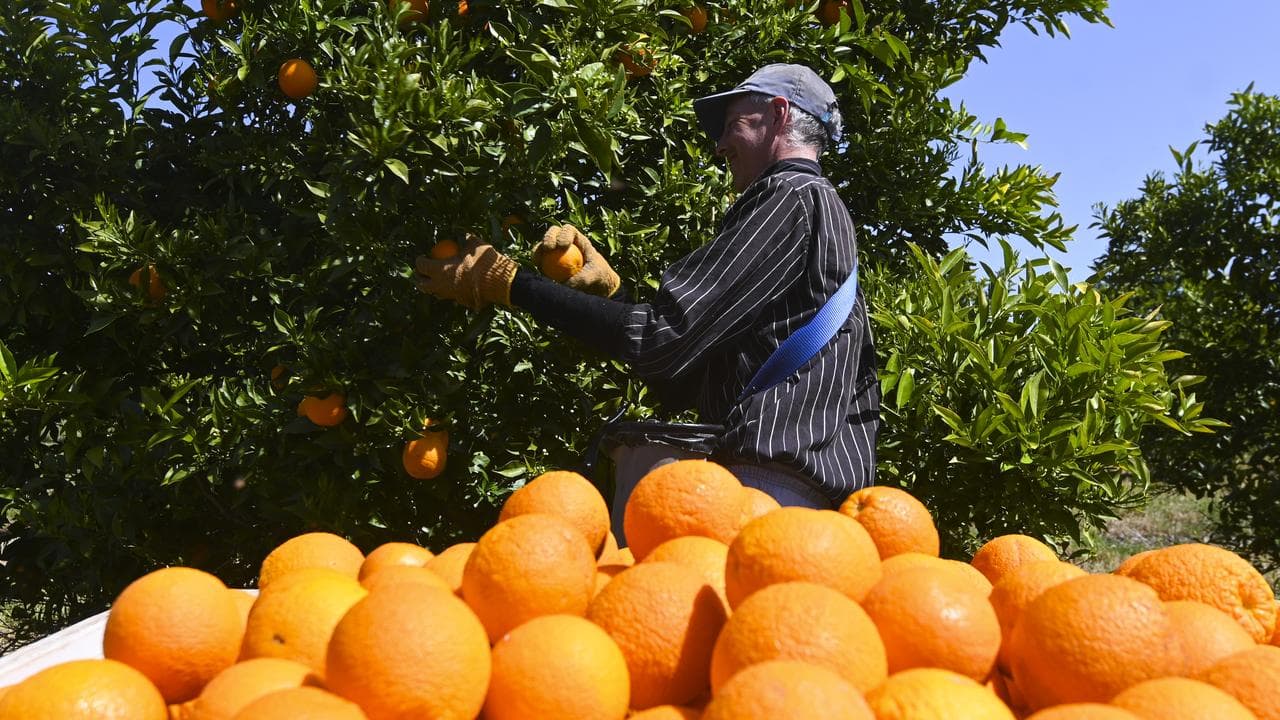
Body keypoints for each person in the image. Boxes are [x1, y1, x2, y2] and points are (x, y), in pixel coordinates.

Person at [415, 63, 879, 514]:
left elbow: (659, 339)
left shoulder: (789, 197)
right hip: (802, 502)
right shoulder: (818, 213)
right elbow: (681, 376)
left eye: (732, 124)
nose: (720, 146)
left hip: (766, 493)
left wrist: (512, 284)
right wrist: (612, 295)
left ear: (778, 114)